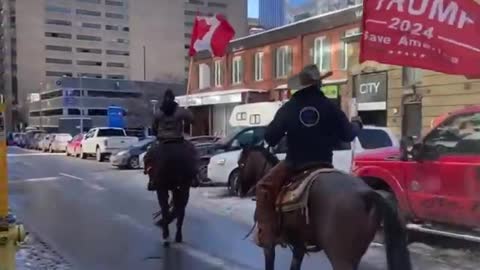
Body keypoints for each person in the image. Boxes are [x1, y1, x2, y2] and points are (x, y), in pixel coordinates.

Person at [254, 65, 363, 248]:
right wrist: (357, 124)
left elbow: (271, 138)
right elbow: (348, 135)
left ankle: (268, 234)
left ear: (300, 86)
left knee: (263, 187)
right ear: (318, 85)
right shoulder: (330, 106)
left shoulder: (290, 107)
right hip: (324, 164)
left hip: (295, 164)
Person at [144, 89, 197, 225]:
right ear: (174, 99)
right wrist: (188, 116)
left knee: (149, 156)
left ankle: (151, 178)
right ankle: (194, 175)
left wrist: (159, 133)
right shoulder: (180, 111)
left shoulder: (158, 112)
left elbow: (154, 128)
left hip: (162, 142)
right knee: (193, 152)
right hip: (178, 141)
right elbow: (192, 120)